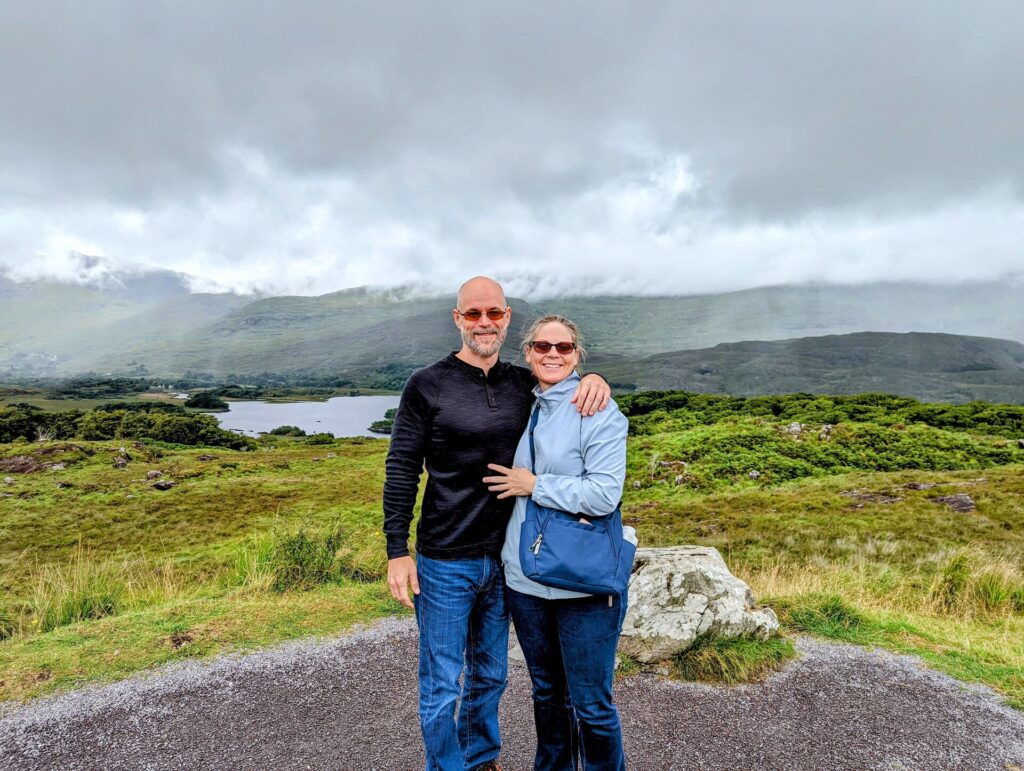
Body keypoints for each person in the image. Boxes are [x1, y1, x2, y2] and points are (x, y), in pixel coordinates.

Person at [383, 277, 611, 771]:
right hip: (444, 559)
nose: (484, 323)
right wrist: (396, 549)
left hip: (506, 559)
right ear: (457, 319)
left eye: (493, 314)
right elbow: (402, 467)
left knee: (490, 675)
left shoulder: (519, 384)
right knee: (443, 681)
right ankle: (447, 765)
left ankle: (482, 757)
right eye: (473, 314)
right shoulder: (426, 385)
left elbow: (560, 383)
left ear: (507, 318)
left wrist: (594, 379)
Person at [483, 315, 632, 771]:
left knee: (591, 703)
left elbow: (605, 493)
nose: (553, 354)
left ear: (577, 355)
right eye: (543, 346)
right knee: (547, 692)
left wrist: (535, 484)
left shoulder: (597, 409)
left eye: (564, 348)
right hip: (526, 581)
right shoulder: (525, 404)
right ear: (527, 352)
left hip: (583, 585)